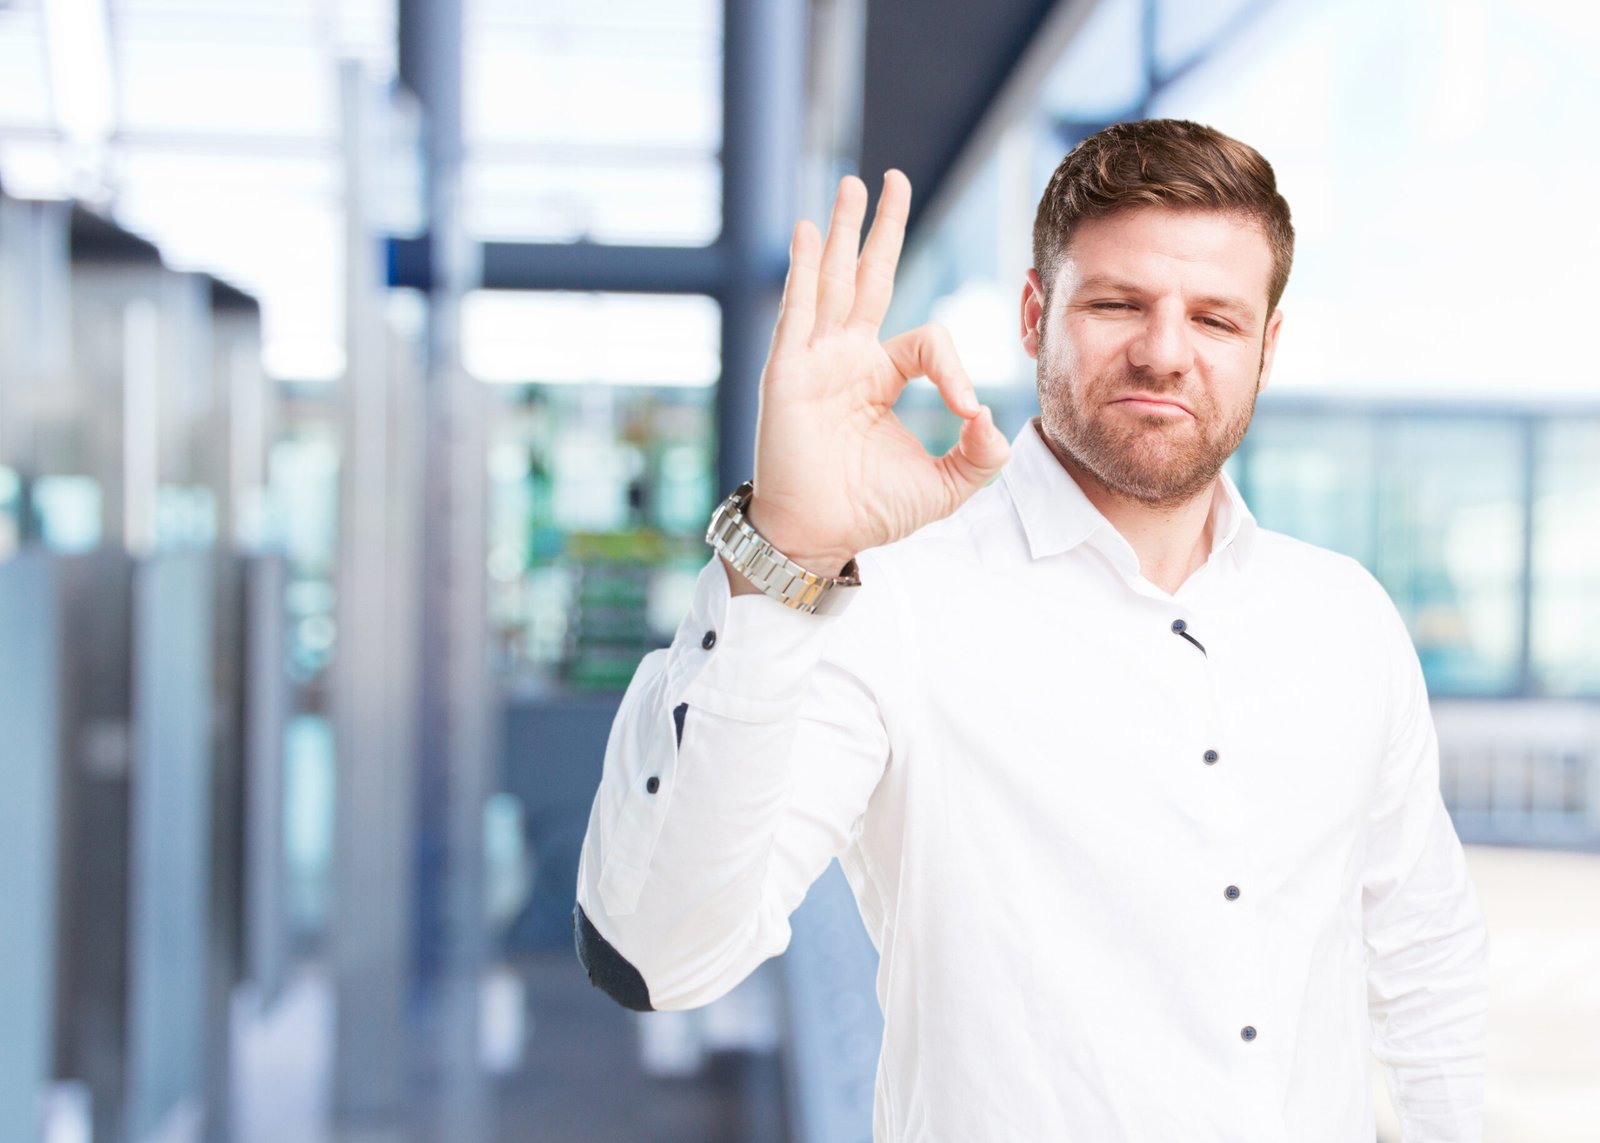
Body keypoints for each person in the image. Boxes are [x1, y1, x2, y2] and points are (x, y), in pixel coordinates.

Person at [574, 119, 1488, 1141]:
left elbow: (1424, 957)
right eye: (1117, 303)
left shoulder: (1344, 618)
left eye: (1214, 319)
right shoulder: (891, 604)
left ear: (1266, 349)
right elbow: (659, 952)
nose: (1164, 352)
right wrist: (780, 550)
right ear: (1033, 313)